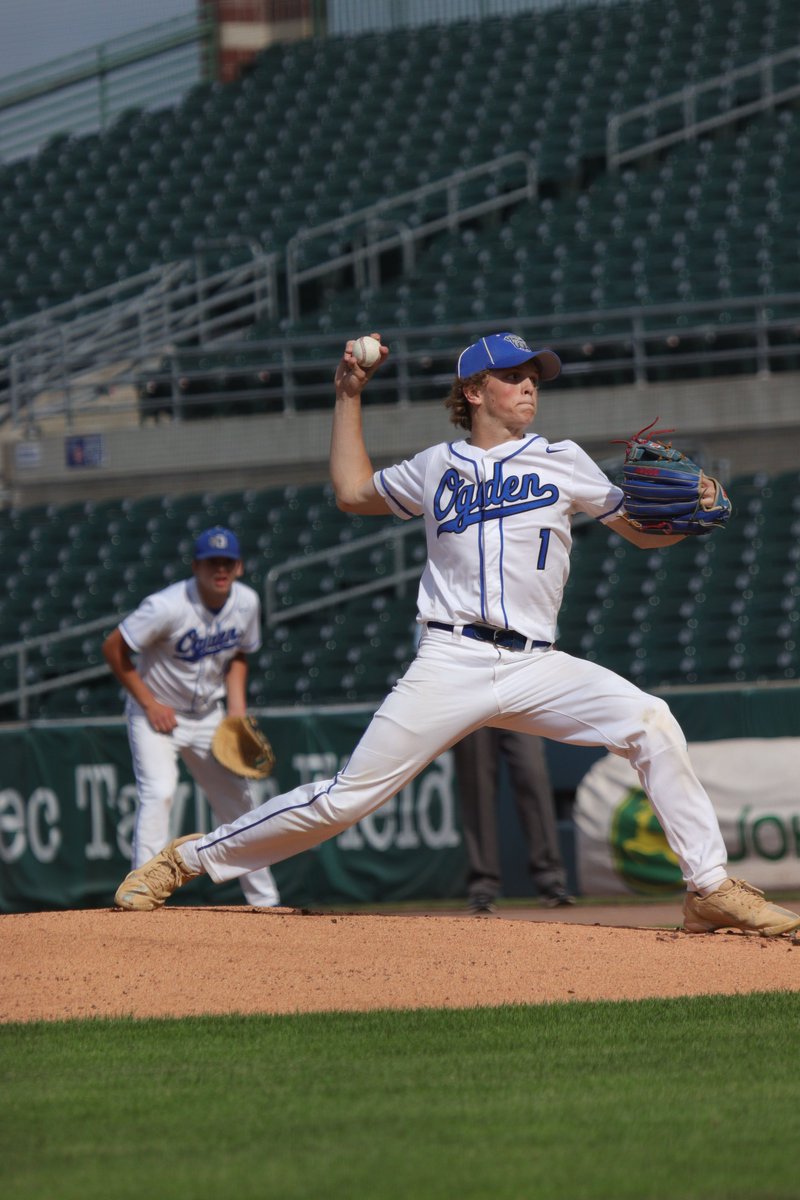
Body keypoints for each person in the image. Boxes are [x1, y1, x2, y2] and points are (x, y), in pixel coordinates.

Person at [115, 332, 800, 938]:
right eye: (512, 374)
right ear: (473, 391)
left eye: (534, 374)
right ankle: (188, 859)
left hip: (537, 663)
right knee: (347, 797)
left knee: (652, 720)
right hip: (450, 656)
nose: (529, 383)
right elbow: (352, 490)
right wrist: (349, 394)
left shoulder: (564, 459)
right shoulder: (437, 465)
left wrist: (690, 516)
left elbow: (642, 535)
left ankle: (709, 889)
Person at [103, 525, 280, 908]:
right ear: (195, 566)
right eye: (211, 562)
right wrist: (150, 703)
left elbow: (239, 655)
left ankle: (264, 901)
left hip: (208, 716)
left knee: (239, 803)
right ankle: (141, 895)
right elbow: (114, 648)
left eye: (227, 562)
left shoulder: (247, 602)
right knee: (160, 793)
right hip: (157, 717)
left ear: (240, 566)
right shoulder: (166, 606)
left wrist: (236, 710)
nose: (220, 569)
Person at [453, 726, 574, 914]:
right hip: (471, 701)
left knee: (532, 774)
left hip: (517, 699)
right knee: (478, 787)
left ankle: (551, 880)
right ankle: (482, 886)